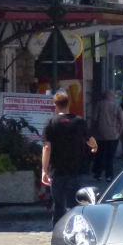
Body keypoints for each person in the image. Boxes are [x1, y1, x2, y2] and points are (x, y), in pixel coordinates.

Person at [42, 89, 97, 225]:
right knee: (75, 204)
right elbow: (89, 139)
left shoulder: (50, 123)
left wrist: (44, 170)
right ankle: (75, 230)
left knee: (59, 205)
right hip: (76, 169)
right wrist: (94, 146)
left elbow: (47, 147)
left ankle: (58, 231)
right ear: (68, 104)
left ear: (55, 105)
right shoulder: (79, 121)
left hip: (57, 170)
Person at [91, 89, 123, 182]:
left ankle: (98, 174)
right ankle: (109, 175)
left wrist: (93, 132)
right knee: (110, 156)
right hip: (113, 135)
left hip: (100, 134)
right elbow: (122, 122)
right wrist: (119, 133)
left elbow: (94, 119)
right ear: (111, 96)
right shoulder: (116, 106)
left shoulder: (99, 105)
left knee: (100, 154)